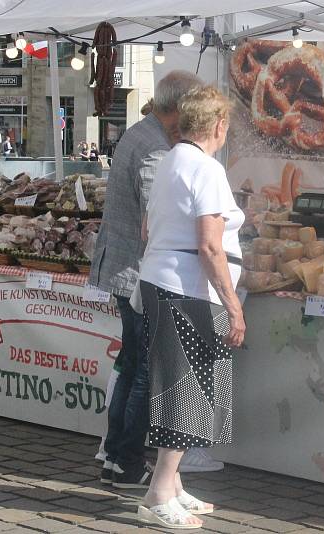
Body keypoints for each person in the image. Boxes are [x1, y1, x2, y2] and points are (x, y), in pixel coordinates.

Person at [136, 85, 245, 529]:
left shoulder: (169, 162)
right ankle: (159, 492)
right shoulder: (206, 168)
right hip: (189, 290)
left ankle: (173, 484)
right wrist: (234, 307)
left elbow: (147, 229)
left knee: (182, 390)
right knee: (187, 394)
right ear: (218, 125)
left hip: (165, 281)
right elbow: (210, 246)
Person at [89, 70, 204, 490]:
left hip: (126, 269)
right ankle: (128, 460)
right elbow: (155, 220)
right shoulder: (155, 146)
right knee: (143, 372)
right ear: (179, 107)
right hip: (138, 272)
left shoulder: (142, 133)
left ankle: (116, 457)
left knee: (133, 362)